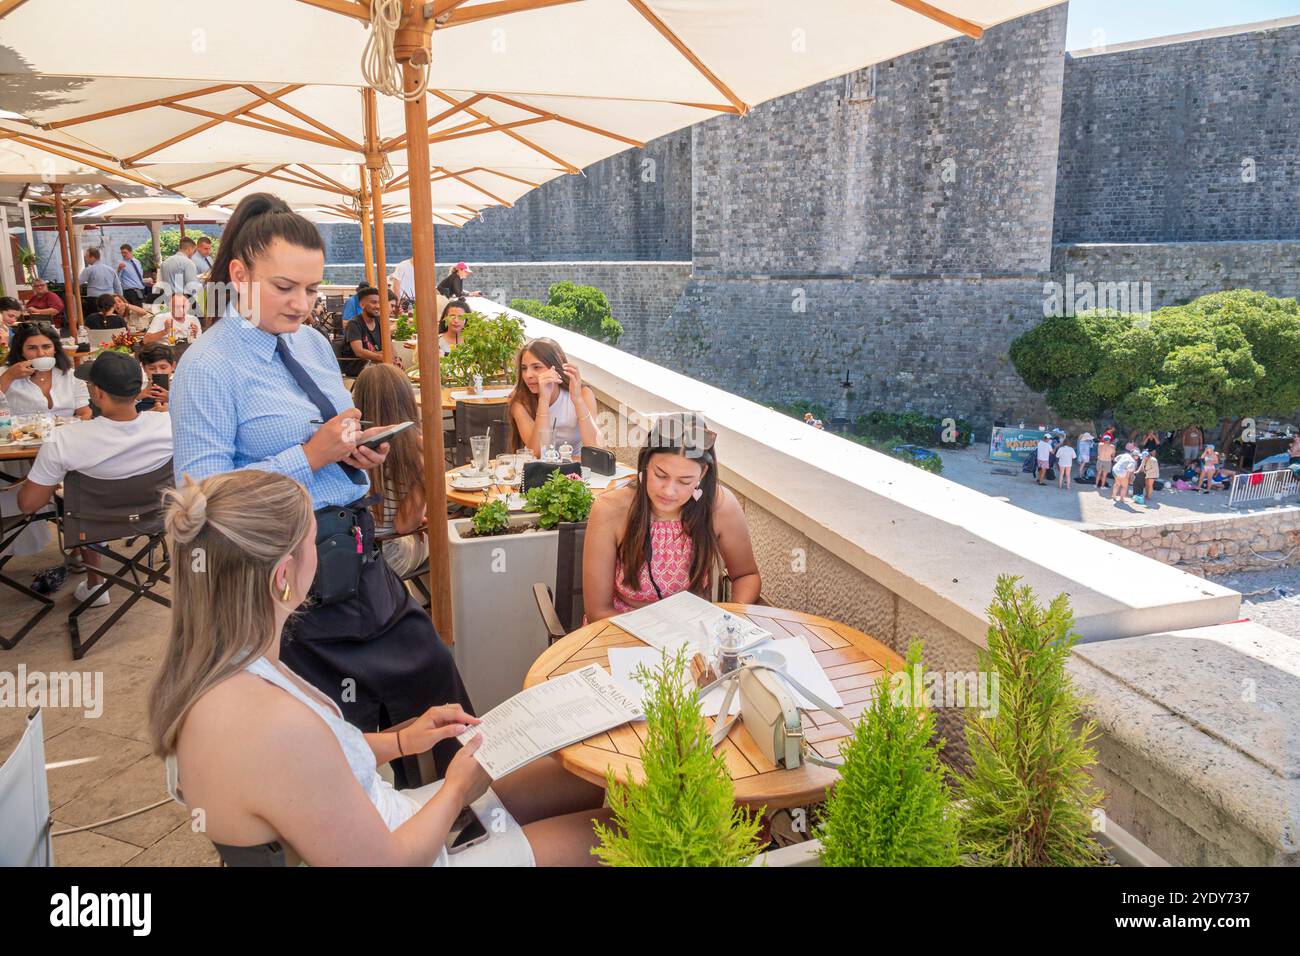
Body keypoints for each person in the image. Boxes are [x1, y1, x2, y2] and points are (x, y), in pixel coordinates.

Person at [149, 469, 610, 866]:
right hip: (407, 849)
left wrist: (400, 741)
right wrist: (455, 790)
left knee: (582, 782)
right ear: (283, 576)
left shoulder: (226, 671)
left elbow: (312, 772)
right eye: (317, 539)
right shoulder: (270, 721)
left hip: (389, 822)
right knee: (620, 830)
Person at [169, 192, 473, 783]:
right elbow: (198, 502)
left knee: (432, 674)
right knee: (329, 730)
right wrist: (310, 456)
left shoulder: (309, 343)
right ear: (239, 274)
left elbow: (331, 432)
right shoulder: (206, 367)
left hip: (354, 556)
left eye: (312, 290)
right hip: (281, 585)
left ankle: (448, 818)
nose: (303, 304)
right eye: (286, 287)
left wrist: (358, 451)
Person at [16, 351, 173, 609]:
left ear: (97, 392)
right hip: (157, 517)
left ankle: (96, 583)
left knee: (72, 500)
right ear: (139, 388)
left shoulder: (64, 438)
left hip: (94, 522)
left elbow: (28, 505)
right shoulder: (168, 423)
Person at [583, 413, 760, 622]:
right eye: (660, 475)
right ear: (645, 463)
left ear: (702, 474)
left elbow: (746, 576)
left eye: (685, 481)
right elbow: (598, 611)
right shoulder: (610, 509)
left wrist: (730, 621)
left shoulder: (720, 506)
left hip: (694, 632)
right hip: (620, 628)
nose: (669, 491)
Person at [352, 363, 426, 578]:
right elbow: (404, 525)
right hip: (392, 555)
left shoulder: (351, 447)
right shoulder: (418, 447)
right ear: (407, 399)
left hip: (356, 554)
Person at [507, 337, 603, 457]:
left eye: (536, 367)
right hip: (540, 470)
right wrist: (544, 400)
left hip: (575, 469)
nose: (528, 375)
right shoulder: (519, 402)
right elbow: (536, 453)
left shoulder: (583, 394)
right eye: (524, 368)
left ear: (556, 368)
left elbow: (595, 447)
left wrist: (577, 401)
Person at [0, 321, 91, 418]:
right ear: (21, 351)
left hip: (65, 431)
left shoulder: (71, 376)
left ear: (55, 349)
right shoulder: (6, 374)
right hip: (20, 432)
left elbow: (85, 412)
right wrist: (9, 376)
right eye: (32, 348)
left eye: (46, 347)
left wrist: (68, 428)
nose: (41, 353)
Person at [345, 286, 401, 368]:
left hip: (376, 362)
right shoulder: (354, 324)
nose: (378, 306)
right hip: (360, 365)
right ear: (362, 305)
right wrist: (383, 358)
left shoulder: (380, 321)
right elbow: (359, 352)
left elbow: (389, 345)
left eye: (379, 302)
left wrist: (397, 358)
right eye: (374, 302)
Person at [137, 343, 176, 413]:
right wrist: (139, 396)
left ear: (173, 366)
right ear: (144, 368)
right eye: (152, 368)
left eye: (163, 367)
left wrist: (172, 399)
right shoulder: (137, 386)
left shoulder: (180, 386)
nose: (158, 372)